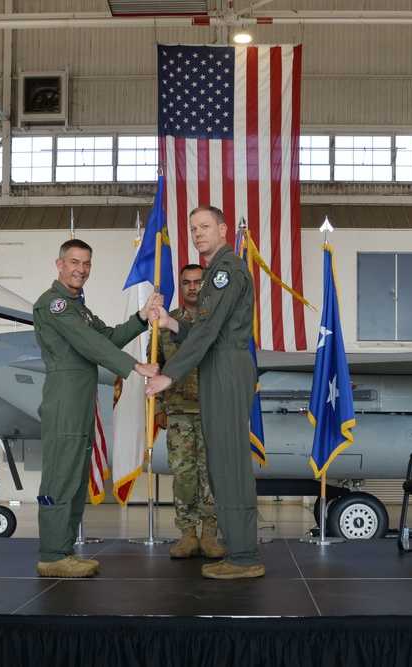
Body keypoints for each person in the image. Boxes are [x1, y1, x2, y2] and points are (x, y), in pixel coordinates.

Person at [145, 205, 264, 580]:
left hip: (225, 365)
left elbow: (211, 330)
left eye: (205, 226)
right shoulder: (215, 272)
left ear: (223, 229)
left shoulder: (226, 271)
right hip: (219, 363)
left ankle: (244, 557)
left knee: (229, 463)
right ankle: (239, 551)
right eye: (193, 228)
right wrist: (171, 323)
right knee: (222, 462)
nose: (198, 233)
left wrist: (170, 375)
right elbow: (206, 325)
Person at [33, 238, 157, 578]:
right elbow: (89, 343)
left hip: (81, 399)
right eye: (74, 262)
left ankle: (64, 550)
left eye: (86, 263)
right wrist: (135, 366)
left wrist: (140, 318)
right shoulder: (54, 304)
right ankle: (51, 554)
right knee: (60, 477)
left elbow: (106, 337)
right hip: (64, 399)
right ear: (59, 265)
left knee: (75, 478)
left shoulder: (78, 308)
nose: (81, 269)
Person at [151, 263, 225, 559]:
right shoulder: (166, 323)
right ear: (180, 287)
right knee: (183, 474)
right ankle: (187, 535)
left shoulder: (217, 321)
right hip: (178, 411)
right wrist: (158, 406)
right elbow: (154, 366)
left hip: (213, 410)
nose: (193, 287)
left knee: (211, 475)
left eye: (198, 282)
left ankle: (210, 534)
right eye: (187, 282)